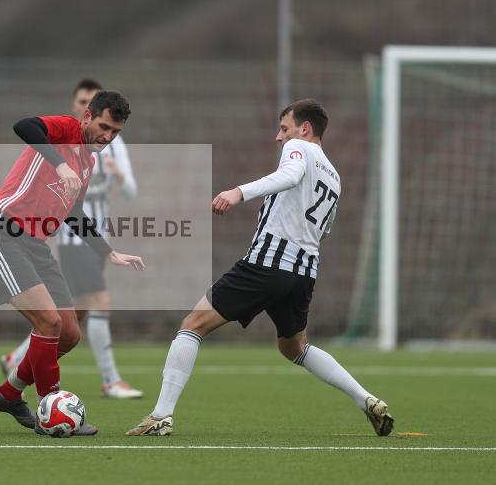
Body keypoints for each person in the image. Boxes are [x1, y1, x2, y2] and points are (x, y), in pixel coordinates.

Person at [126, 99, 394, 437]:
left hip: (269, 263)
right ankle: (365, 399)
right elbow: (323, 228)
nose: (279, 137)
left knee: (193, 324)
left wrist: (239, 192)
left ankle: (161, 415)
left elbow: (289, 174)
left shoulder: (299, 149)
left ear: (304, 129)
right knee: (294, 347)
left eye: (284, 128)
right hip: (304, 272)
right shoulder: (334, 176)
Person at [0, 90, 145, 436]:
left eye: (115, 133)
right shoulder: (66, 130)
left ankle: (8, 394)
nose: (107, 137)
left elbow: (74, 213)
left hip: (35, 246)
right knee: (48, 322)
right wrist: (61, 163)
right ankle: (51, 407)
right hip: (1, 234)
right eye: (104, 126)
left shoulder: (89, 162)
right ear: (87, 117)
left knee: (68, 333)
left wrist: (107, 251)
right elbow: (24, 126)